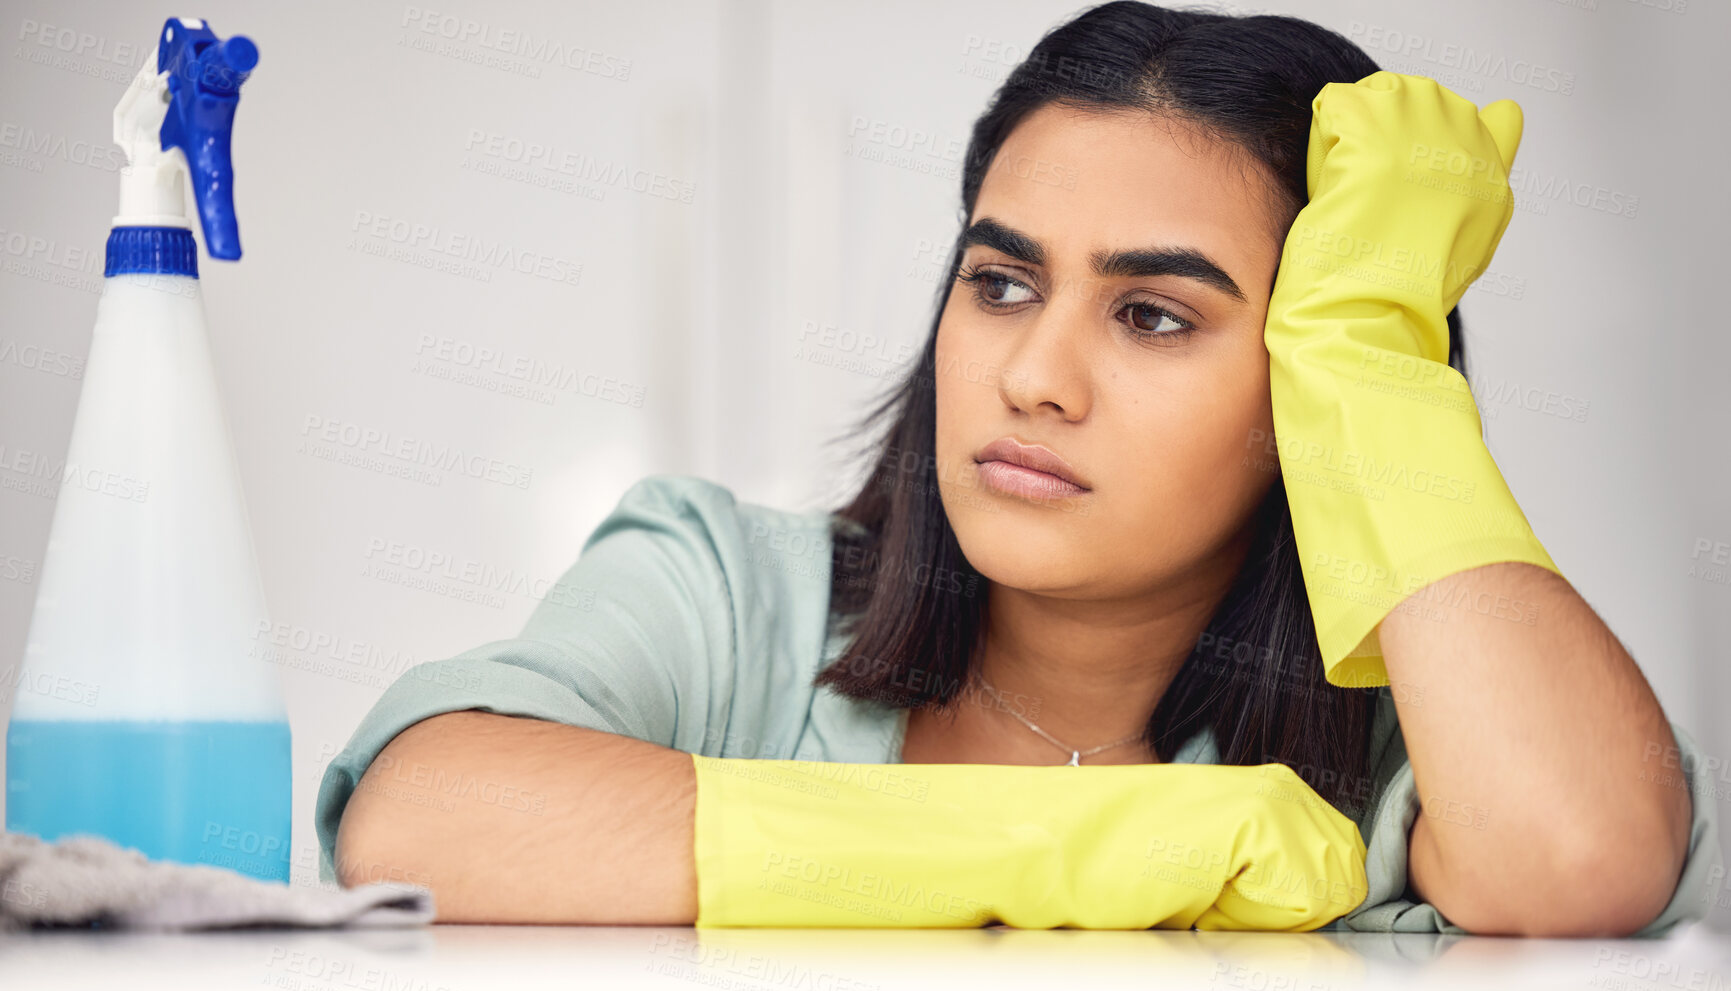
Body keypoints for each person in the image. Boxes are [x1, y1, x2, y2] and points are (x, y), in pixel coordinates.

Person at [318, 1, 1722, 934]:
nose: (1035, 375)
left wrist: (1375, 363)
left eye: (1155, 315)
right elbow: (420, 818)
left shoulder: (1417, 722)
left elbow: (1583, 856)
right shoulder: (733, 592)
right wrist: (1091, 839)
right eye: (999, 284)